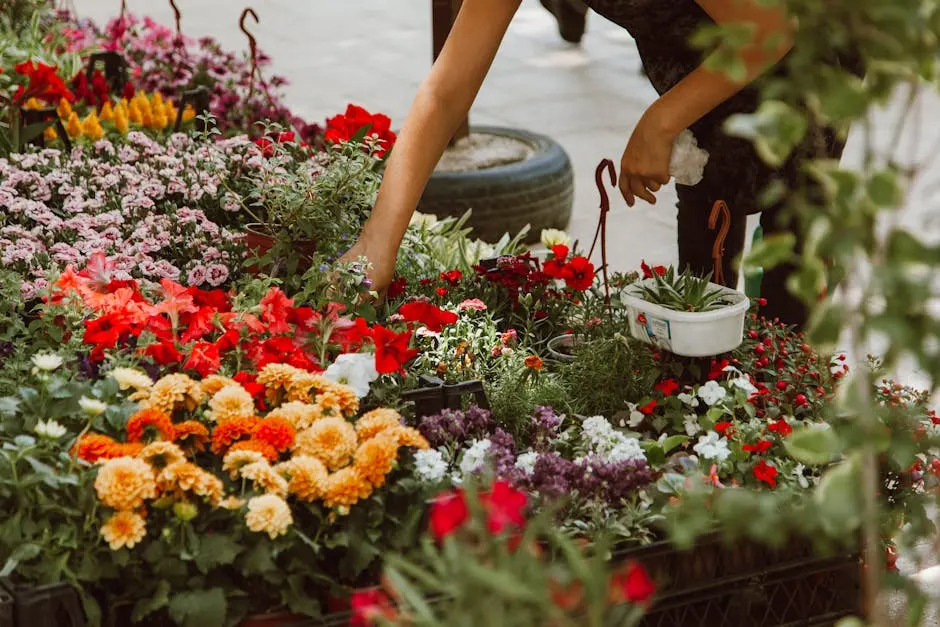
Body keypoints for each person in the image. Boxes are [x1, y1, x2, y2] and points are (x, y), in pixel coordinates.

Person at [340, 0, 858, 328]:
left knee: (790, 285)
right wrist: (375, 246)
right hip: (705, 67)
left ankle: (798, 459)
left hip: (802, 64)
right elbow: (447, 90)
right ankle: (720, 435)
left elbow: (771, 31)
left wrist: (659, 123)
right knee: (704, 276)